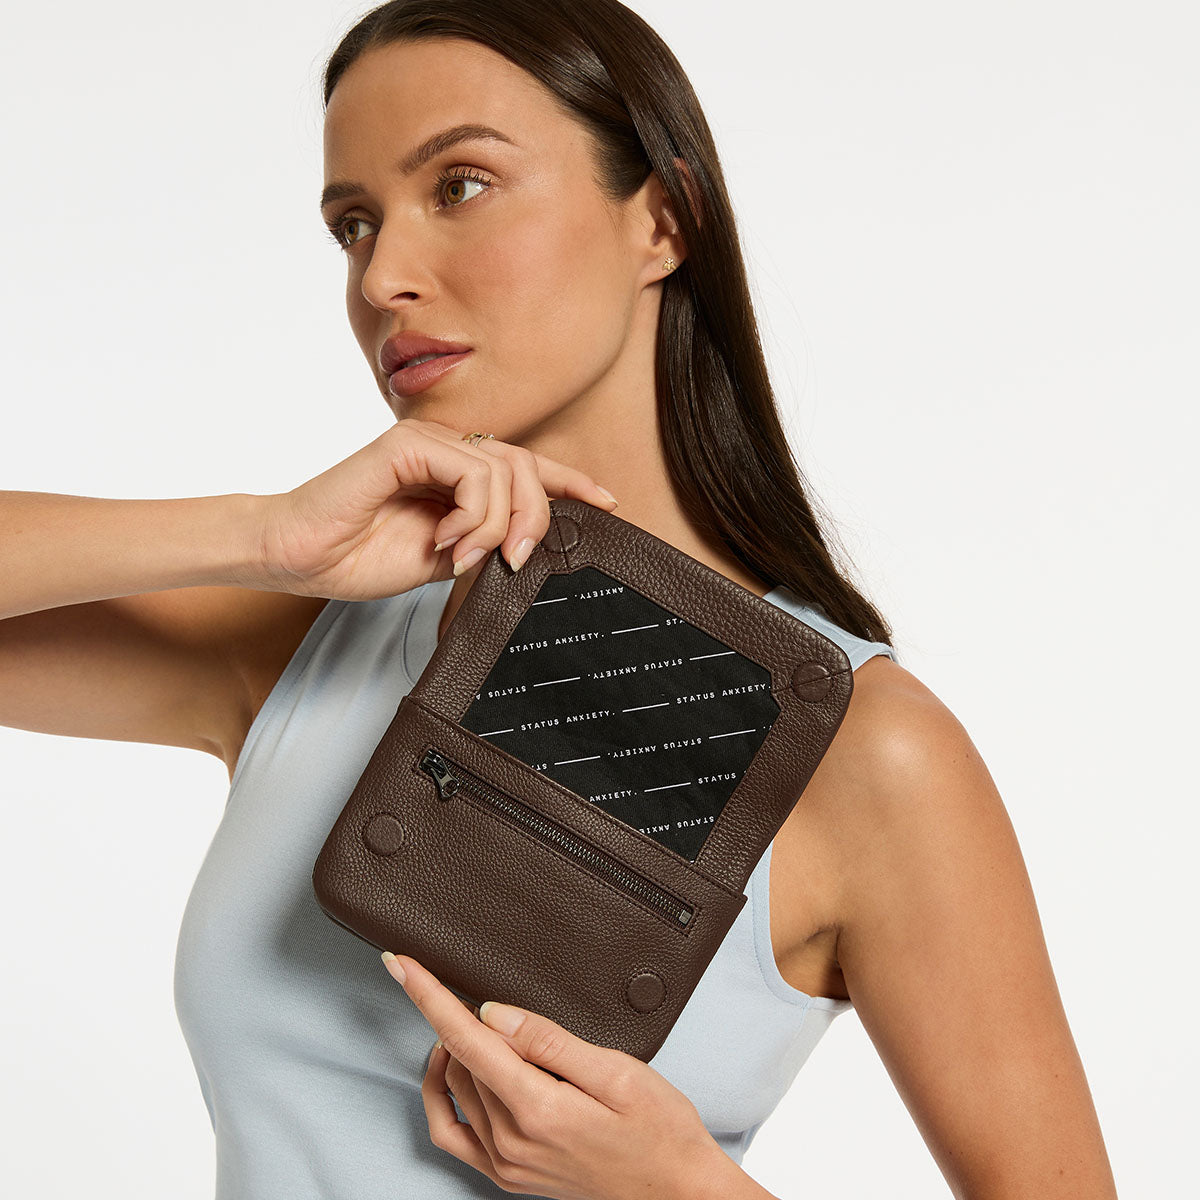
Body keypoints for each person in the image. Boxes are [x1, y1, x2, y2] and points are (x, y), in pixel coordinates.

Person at [0, 1, 1119, 1197]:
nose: (383, 277)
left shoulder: (864, 751)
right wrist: (262, 535)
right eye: (353, 225)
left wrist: (683, 1189)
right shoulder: (307, 639)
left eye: (462, 185)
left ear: (663, 220)